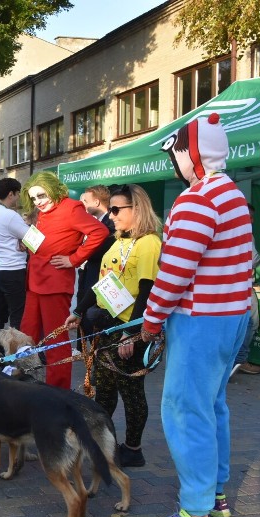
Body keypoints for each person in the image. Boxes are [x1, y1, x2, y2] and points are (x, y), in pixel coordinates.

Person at [141, 113, 252, 517]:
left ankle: (196, 515)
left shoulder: (196, 199)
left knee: (187, 412)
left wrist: (151, 322)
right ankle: (215, 494)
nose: (175, 162)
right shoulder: (233, 195)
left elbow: (173, 273)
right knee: (212, 405)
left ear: (192, 155)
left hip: (200, 321)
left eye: (176, 153)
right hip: (232, 317)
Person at [65, 184, 162, 468]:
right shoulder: (117, 241)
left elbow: (147, 291)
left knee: (131, 391)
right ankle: (99, 442)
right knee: (104, 389)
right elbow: (102, 284)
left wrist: (132, 334)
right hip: (106, 326)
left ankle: (133, 449)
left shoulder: (149, 243)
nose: (113, 215)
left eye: (118, 210)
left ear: (138, 209)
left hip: (130, 328)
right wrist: (79, 311)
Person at [19, 171, 108, 389]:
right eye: (33, 198)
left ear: (52, 189)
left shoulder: (71, 208)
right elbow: (45, 241)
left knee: (55, 341)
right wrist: (27, 244)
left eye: (41, 195)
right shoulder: (45, 212)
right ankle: (22, 383)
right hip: (35, 282)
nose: (38, 202)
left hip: (55, 284)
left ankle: (58, 390)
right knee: (24, 336)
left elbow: (100, 231)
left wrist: (74, 259)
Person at [0, 178, 29, 352]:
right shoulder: (10, 215)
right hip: (14, 270)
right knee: (17, 316)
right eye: (18, 194)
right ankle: (17, 353)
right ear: (11, 193)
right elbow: (34, 239)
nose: (18, 198)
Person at [76, 185, 116, 346]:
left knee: (94, 323)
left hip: (100, 279)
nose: (82, 205)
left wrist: (78, 254)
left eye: (85, 201)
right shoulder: (90, 223)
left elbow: (96, 252)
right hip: (86, 277)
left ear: (97, 202)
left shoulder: (111, 225)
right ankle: (83, 347)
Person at [231, 203, 260, 376]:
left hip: (231, 285)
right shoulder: (245, 233)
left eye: (252, 217)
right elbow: (254, 259)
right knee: (249, 322)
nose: (251, 220)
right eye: (249, 216)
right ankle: (240, 360)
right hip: (241, 285)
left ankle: (235, 360)